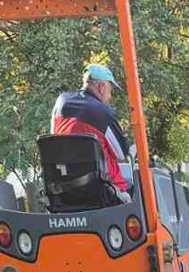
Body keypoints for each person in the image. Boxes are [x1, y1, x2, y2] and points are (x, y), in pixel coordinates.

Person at [51, 64, 132, 202]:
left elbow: (53, 138)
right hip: (107, 192)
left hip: (64, 192)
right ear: (101, 87)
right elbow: (121, 154)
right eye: (110, 90)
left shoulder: (61, 103)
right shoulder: (103, 113)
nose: (110, 96)